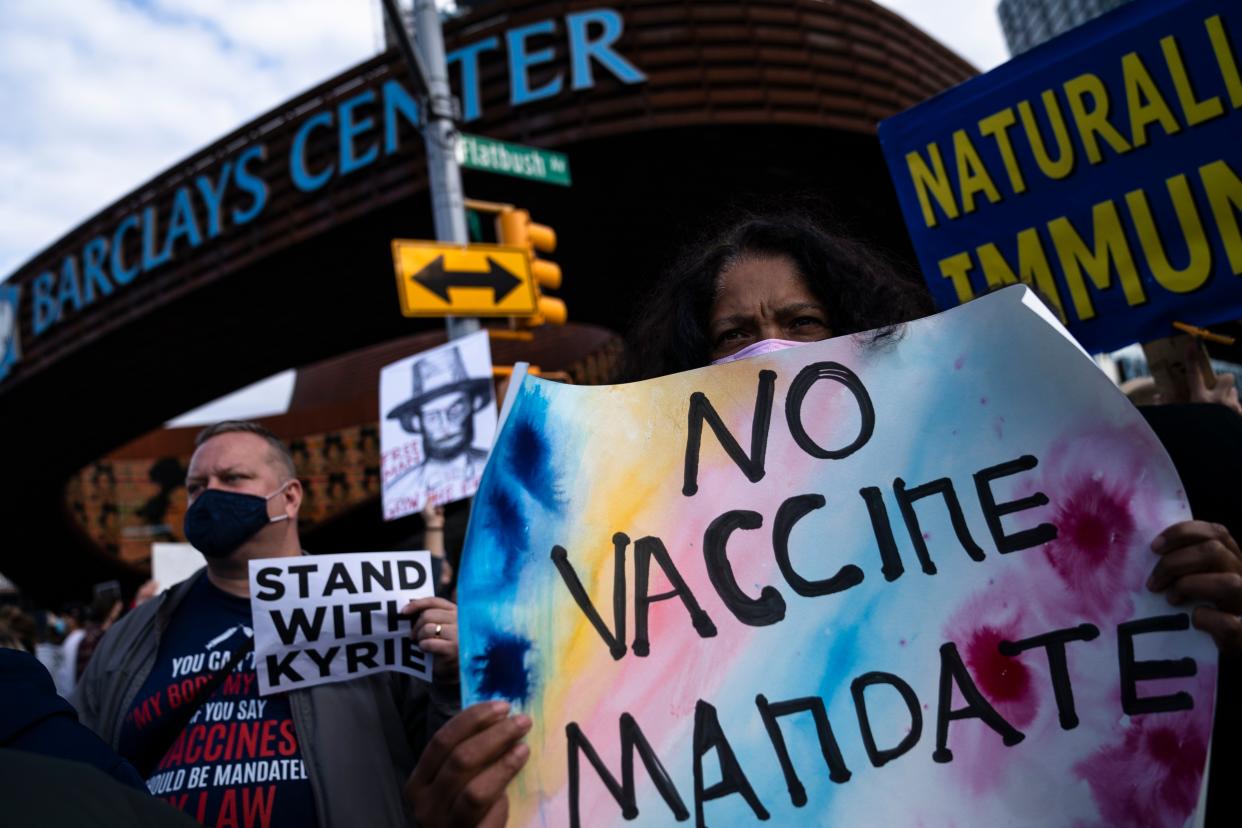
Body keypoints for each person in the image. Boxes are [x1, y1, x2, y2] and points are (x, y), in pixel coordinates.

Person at [624, 208, 1240, 821]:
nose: (768, 349)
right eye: (733, 334)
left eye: (802, 321)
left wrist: (1191, 604)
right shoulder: (662, 562)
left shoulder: (985, 481)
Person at [74, 421, 529, 827]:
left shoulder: (379, 607)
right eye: (196, 487)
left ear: (288, 498)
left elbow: (448, 759)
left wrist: (453, 677)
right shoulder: (131, 638)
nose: (209, 495)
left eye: (232, 478)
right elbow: (80, 765)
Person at [385, 345, 493, 512]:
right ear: (416, 422)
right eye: (433, 417)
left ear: (473, 404)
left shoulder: (497, 468)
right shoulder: (400, 493)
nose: (445, 425)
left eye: (455, 410)